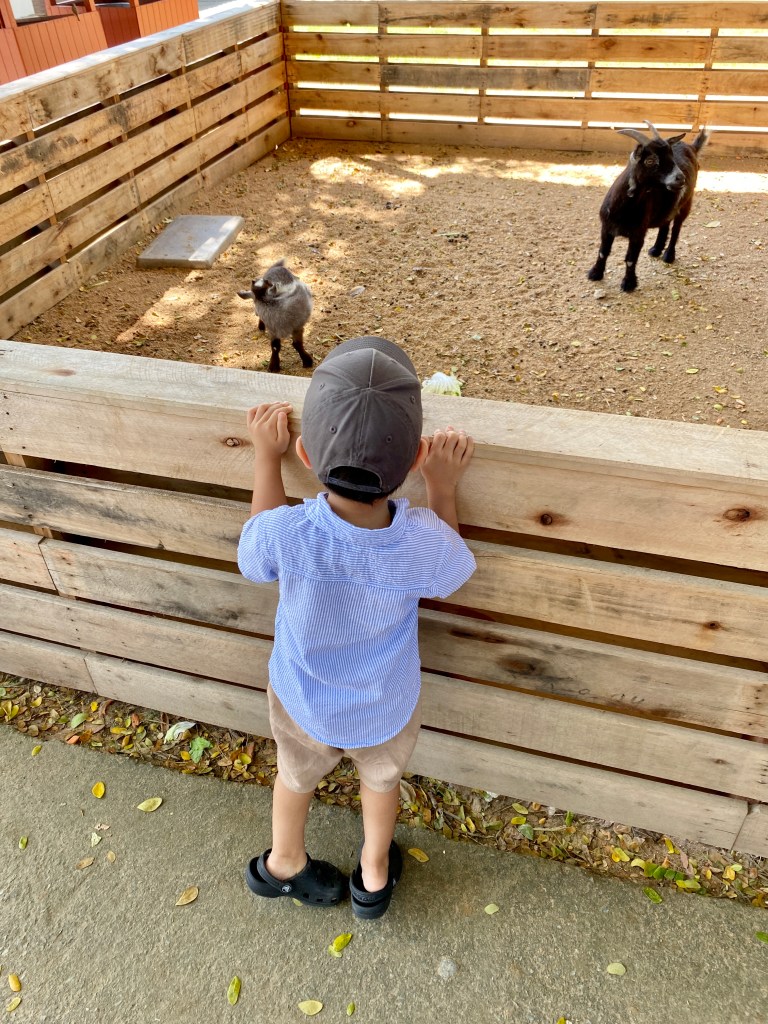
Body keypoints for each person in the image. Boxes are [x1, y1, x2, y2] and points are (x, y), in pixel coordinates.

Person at [237, 336, 476, 919]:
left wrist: (266, 460)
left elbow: (253, 553)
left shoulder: (289, 532)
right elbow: (449, 569)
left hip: (301, 697)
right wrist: (443, 488)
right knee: (381, 781)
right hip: (384, 704)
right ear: (416, 458)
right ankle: (372, 873)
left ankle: (284, 864)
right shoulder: (418, 538)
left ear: (307, 456)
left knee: (294, 775)